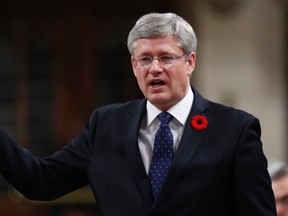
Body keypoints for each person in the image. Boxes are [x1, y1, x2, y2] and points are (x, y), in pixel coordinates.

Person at [0, 12, 276, 216]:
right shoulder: (105, 125)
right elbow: (41, 181)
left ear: (190, 62)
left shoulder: (235, 129)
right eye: (145, 59)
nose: (154, 68)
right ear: (134, 66)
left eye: (166, 57)